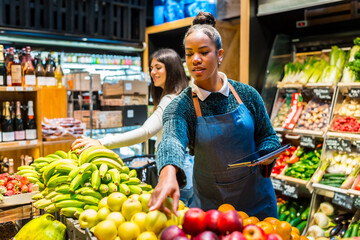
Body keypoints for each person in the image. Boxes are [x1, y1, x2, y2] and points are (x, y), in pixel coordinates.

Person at [148, 12, 281, 220]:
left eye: (203, 52)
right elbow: (172, 139)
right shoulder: (181, 106)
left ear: (219, 55)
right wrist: (167, 172)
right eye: (190, 54)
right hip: (212, 210)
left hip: (257, 203)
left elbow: (269, 136)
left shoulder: (247, 94)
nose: (196, 60)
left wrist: (267, 153)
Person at [71, 48, 194, 205]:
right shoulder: (183, 95)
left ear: (171, 68)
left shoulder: (170, 99)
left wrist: (102, 142)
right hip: (185, 166)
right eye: (151, 68)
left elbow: (145, 132)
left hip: (176, 170)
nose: (153, 72)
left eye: (158, 67)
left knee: (175, 221)